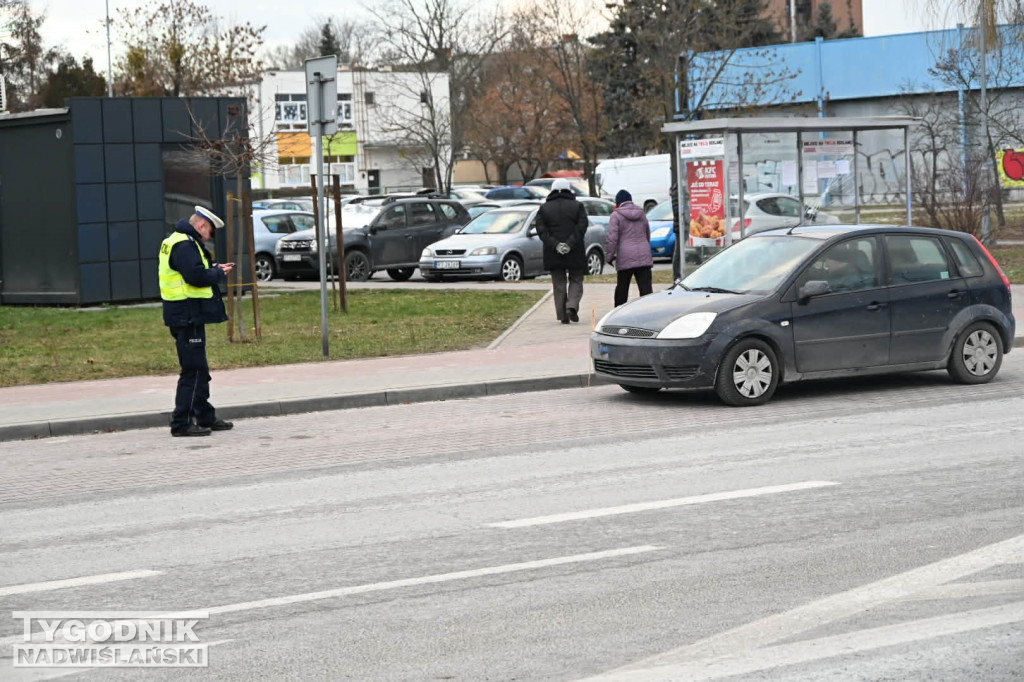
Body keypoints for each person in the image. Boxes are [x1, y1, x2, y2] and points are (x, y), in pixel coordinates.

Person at [158, 206, 235, 437]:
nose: (209, 237)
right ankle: (181, 423)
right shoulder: (184, 244)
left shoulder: (179, 241)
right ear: (201, 226)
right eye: (209, 232)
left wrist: (213, 268)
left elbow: (192, 271)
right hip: (186, 314)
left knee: (199, 368)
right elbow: (196, 277)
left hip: (186, 313)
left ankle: (204, 415)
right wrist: (218, 274)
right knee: (193, 370)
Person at [536, 178, 589, 324]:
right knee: (576, 279)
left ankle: (562, 315)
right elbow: (582, 226)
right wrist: (569, 244)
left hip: (553, 252)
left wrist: (556, 245)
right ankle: (571, 305)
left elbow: (541, 230)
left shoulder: (544, 208)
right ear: (569, 189)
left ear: (552, 190)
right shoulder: (577, 206)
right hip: (575, 250)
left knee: (558, 283)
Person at [605, 189, 654, 307]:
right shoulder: (641, 213)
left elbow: (612, 239)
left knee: (622, 287)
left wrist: (609, 256)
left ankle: (618, 312)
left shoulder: (616, 215)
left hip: (625, 256)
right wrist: (645, 247)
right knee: (646, 288)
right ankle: (649, 311)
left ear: (618, 202)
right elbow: (647, 233)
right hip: (644, 255)